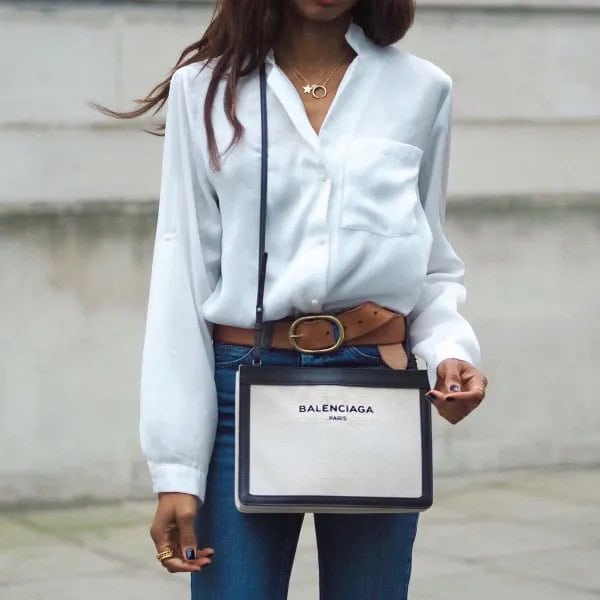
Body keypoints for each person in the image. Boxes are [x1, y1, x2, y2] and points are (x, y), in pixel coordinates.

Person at [99, 0, 488, 597]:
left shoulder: (421, 89)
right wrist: (176, 468)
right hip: (242, 384)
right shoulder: (202, 88)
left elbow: (428, 260)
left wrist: (449, 351)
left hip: (374, 381)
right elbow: (182, 273)